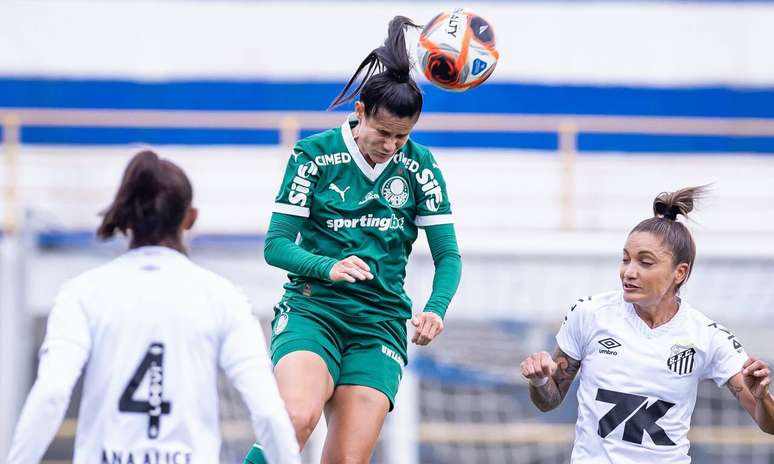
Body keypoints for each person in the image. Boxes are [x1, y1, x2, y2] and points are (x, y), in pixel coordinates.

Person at [242, 15, 462, 464]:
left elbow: (449, 257)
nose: (391, 146)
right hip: (314, 308)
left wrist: (435, 310)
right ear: (360, 112)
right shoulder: (314, 156)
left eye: (403, 136)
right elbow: (276, 245)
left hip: (379, 324)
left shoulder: (420, 167)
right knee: (296, 418)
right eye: (383, 133)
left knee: (345, 459)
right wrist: (329, 267)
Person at [6, 150, 300, 464]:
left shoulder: (83, 293)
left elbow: (51, 394)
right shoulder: (223, 298)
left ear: (125, 215)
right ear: (190, 218)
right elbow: (268, 411)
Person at [520, 186, 773, 463]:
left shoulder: (707, 336)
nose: (629, 272)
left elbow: (768, 424)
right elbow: (549, 400)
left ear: (680, 272)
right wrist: (541, 379)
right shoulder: (589, 314)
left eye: (645, 262)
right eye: (625, 259)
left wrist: (762, 397)